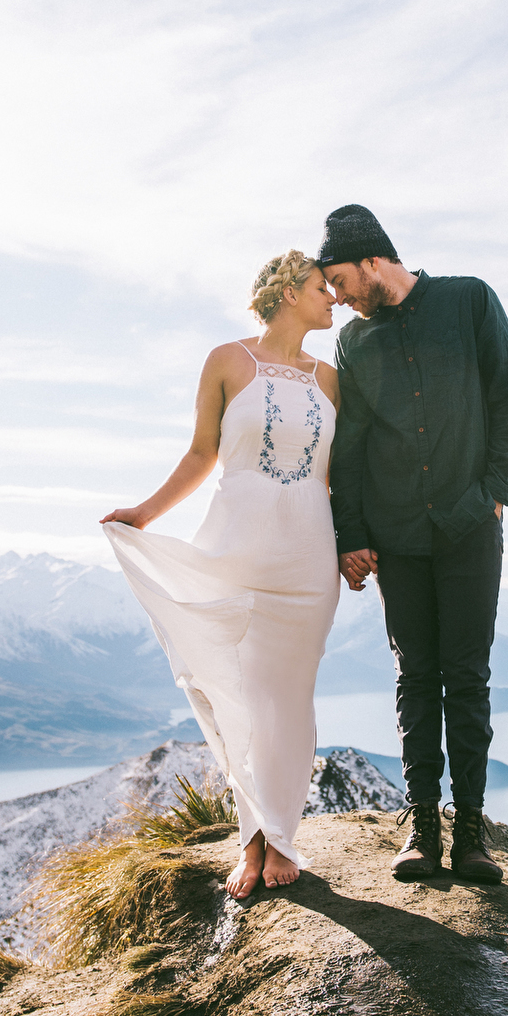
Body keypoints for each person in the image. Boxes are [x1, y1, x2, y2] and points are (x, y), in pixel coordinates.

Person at [100, 251, 341, 900]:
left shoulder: (332, 378)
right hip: (237, 548)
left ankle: (282, 839)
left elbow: (340, 475)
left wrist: (359, 546)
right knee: (239, 695)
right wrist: (144, 514)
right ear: (290, 291)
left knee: (289, 698)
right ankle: (250, 841)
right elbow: (202, 452)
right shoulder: (227, 361)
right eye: (323, 288)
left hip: (308, 557)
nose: (334, 299)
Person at [319, 205, 508, 883]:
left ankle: (470, 833)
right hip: (398, 536)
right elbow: (348, 447)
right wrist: (349, 535)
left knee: (467, 677)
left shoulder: (470, 301)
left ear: (374, 260)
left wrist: (494, 490)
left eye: (342, 280)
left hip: (472, 527)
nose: (339, 297)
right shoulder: (354, 344)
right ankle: (421, 827)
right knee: (415, 677)